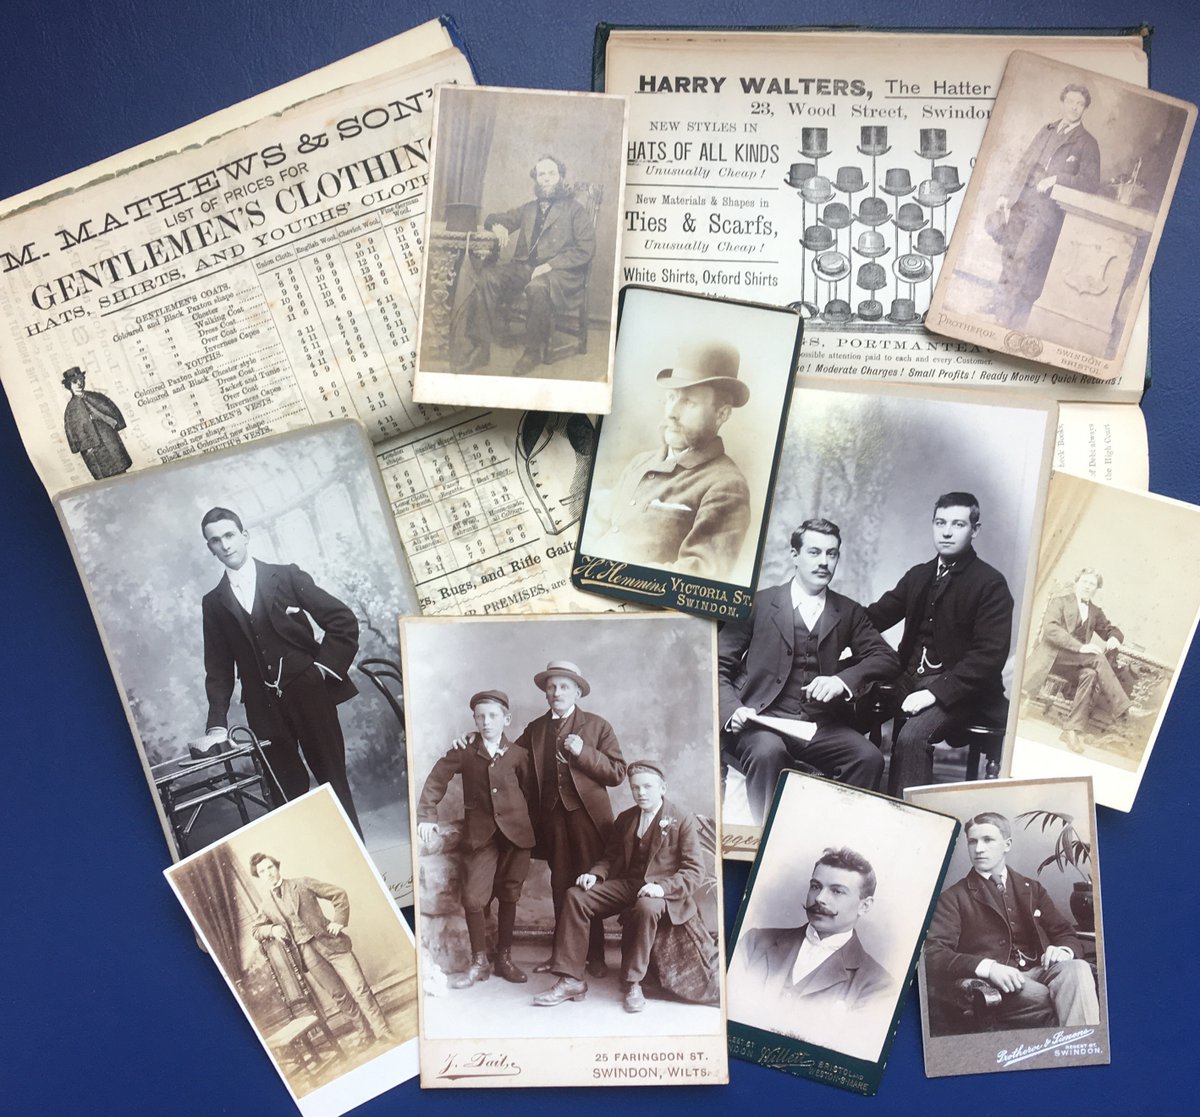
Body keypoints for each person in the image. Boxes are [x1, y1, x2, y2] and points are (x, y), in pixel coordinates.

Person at [718, 519, 899, 823]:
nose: (823, 562)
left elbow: (886, 658)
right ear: (794, 555)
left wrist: (843, 680)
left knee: (868, 758)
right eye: (814, 552)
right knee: (767, 754)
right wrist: (733, 710)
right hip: (761, 721)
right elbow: (717, 665)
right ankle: (767, 841)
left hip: (818, 726)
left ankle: (837, 841)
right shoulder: (757, 604)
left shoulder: (848, 610)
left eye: (831, 554)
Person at [454, 659, 627, 976]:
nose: (556, 692)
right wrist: (475, 737)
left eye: (563, 686)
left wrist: (583, 752)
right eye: (551, 687)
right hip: (552, 821)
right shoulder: (535, 729)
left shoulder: (598, 726)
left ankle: (597, 957)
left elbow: (617, 773)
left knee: (591, 883)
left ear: (576, 691)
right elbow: (502, 753)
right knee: (561, 886)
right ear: (545, 693)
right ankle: (561, 957)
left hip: (589, 819)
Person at [199, 506, 363, 833]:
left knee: (333, 780)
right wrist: (216, 724)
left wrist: (321, 671)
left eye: (230, 535)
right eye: (216, 540)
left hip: (310, 694)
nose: (225, 545)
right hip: (263, 708)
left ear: (245, 536)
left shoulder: (286, 576)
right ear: (211, 548)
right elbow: (218, 667)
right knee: (284, 791)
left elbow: (343, 622)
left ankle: (359, 858)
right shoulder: (214, 602)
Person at [867, 493, 1014, 797]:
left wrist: (934, 693)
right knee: (848, 705)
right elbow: (874, 617)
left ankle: (905, 822)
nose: (946, 532)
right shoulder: (919, 575)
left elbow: (987, 658)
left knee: (912, 736)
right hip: (907, 679)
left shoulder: (990, 584)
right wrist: (836, 631)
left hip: (963, 691)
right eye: (940, 523)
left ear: (975, 530)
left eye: (958, 524)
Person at [532, 760, 705, 1013]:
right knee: (575, 896)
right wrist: (596, 875)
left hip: (660, 891)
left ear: (662, 788)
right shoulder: (626, 818)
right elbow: (610, 858)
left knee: (646, 907)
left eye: (647, 787)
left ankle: (634, 982)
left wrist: (661, 888)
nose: (641, 793)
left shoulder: (682, 819)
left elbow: (695, 871)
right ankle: (571, 979)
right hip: (627, 884)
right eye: (636, 788)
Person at [586, 340, 751, 580]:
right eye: (671, 397)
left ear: (722, 414)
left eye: (689, 402)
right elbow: (595, 525)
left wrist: (606, 574)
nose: (672, 412)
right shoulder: (641, 462)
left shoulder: (726, 486)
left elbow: (699, 577)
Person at [924, 812, 1100, 1030]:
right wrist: (988, 968)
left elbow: (1065, 933)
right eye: (972, 841)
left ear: (1006, 845)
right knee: (1067, 998)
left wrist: (1064, 950)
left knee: (1078, 969)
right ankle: (1083, 1051)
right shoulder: (954, 898)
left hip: (1040, 971)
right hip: (999, 983)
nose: (979, 849)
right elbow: (933, 953)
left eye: (988, 840)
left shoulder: (1032, 888)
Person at [417, 690, 536, 987]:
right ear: (474, 720)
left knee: (510, 894)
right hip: (481, 836)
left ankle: (504, 959)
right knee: (473, 898)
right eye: (480, 716)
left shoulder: (520, 756)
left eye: (493, 716)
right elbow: (436, 780)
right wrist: (427, 816)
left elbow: (532, 794)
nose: (486, 722)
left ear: (506, 719)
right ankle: (478, 961)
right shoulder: (465, 750)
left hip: (516, 838)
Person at [455, 154, 595, 376]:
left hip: (559, 273)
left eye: (552, 173)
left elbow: (585, 249)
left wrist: (550, 265)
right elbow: (496, 217)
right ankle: (480, 348)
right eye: (542, 174)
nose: (547, 178)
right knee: (488, 276)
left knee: (538, 287)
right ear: (536, 179)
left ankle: (532, 352)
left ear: (560, 177)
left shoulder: (574, 210)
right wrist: (498, 226)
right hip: (524, 268)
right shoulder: (529, 209)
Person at [728, 848, 893, 1032]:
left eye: (837, 891)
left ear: (864, 906)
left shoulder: (878, 986)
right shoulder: (755, 943)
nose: (820, 898)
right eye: (815, 886)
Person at [249, 852, 395, 1049]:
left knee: (359, 988)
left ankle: (382, 1030)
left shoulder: (302, 883)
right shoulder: (266, 905)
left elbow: (338, 894)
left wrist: (339, 921)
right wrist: (273, 929)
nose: (268, 873)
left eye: (270, 867)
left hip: (332, 943)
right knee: (339, 995)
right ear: (258, 876)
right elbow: (256, 930)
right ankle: (365, 1034)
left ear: (277, 867)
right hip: (306, 953)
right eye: (262, 871)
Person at [990, 83, 1102, 327]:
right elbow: (1024, 163)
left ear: (1085, 108)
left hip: (1047, 212)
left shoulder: (1087, 143)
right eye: (1070, 101)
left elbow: (1091, 182)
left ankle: (1006, 315)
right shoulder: (1047, 130)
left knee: (1023, 258)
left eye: (1080, 104)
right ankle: (998, 303)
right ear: (1063, 102)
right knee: (1009, 254)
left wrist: (1057, 180)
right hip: (1022, 203)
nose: (1074, 108)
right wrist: (1006, 194)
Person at [1021, 568, 1149, 754]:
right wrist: (1080, 647)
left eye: (1092, 585)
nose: (1088, 587)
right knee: (1096, 657)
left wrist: (1114, 637)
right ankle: (1125, 708)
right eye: (1085, 582)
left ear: (1096, 589)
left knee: (1090, 673)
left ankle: (1072, 730)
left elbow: (1111, 629)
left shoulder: (1095, 611)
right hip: (1052, 656)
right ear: (1077, 582)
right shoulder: (1060, 602)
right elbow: (1050, 631)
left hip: (1074, 664)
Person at [61, 366, 132, 479]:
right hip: (93, 450)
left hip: (109, 439)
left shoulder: (95, 397)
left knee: (122, 472)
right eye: (75, 382)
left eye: (81, 379)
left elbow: (109, 410)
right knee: (105, 478)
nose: (79, 383)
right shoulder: (71, 409)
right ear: (69, 385)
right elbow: (72, 432)